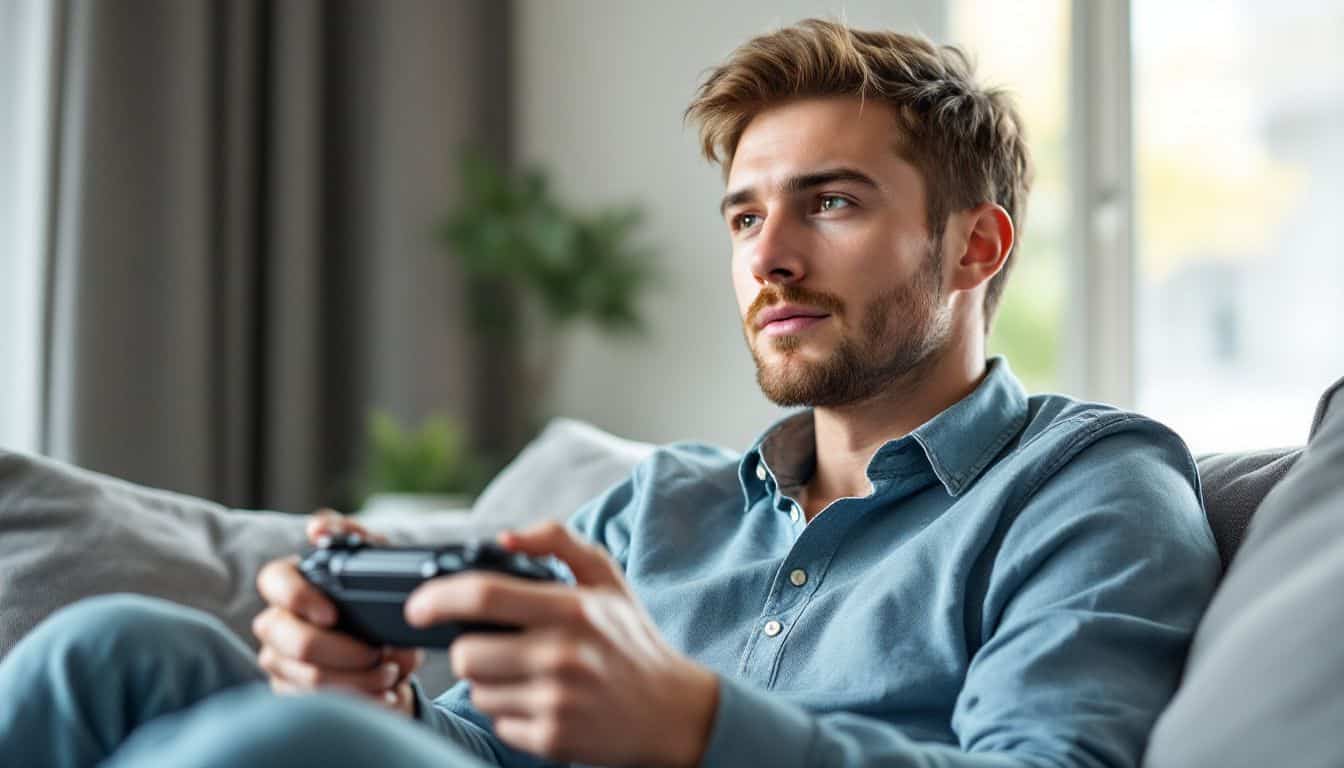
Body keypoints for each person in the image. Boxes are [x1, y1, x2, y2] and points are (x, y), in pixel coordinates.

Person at [0, 19, 1220, 768]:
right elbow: (482, 743)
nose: (769, 257)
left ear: (976, 247)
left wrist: (693, 730)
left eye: (830, 203)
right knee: (110, 649)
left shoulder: (1091, 488)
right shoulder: (661, 504)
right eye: (747, 214)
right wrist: (380, 702)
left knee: (292, 746)